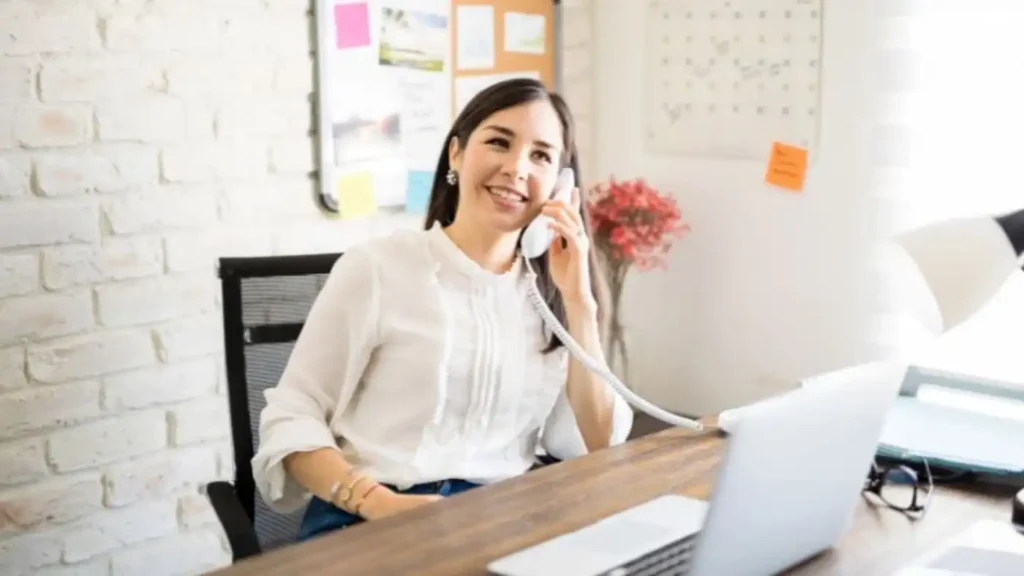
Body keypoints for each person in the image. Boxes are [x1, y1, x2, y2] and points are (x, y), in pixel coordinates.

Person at [251, 78, 634, 542]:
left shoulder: (550, 298)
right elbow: (292, 413)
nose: (516, 168)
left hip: (503, 518)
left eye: (541, 156)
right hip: (373, 517)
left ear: (560, 184)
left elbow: (598, 441)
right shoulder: (378, 268)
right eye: (498, 141)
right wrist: (378, 503)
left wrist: (580, 303)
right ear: (457, 154)